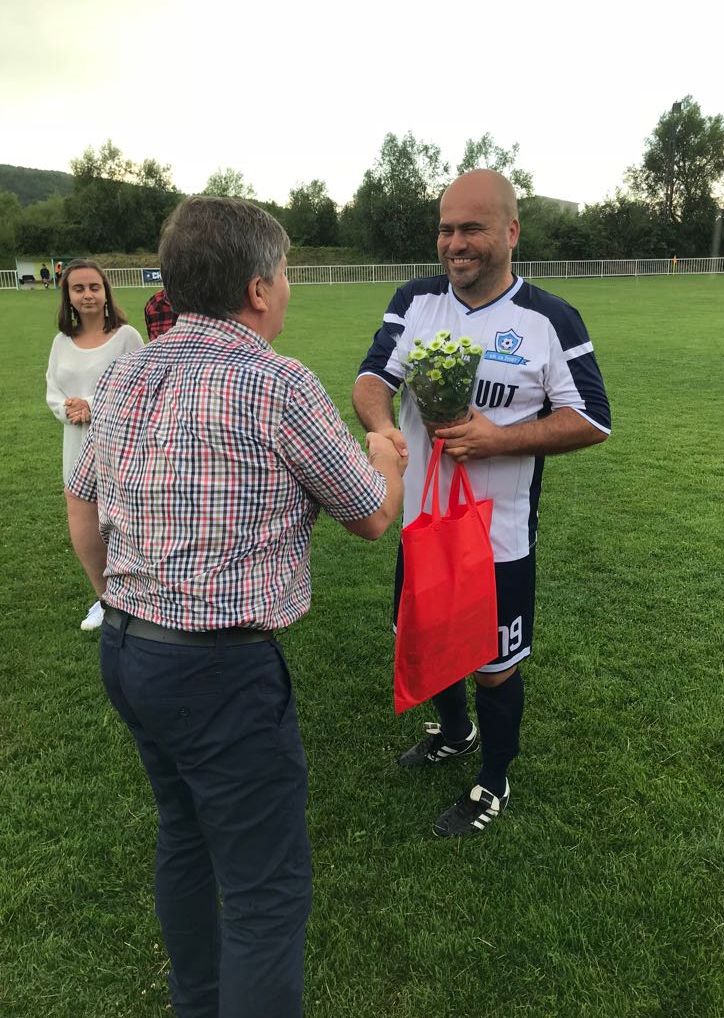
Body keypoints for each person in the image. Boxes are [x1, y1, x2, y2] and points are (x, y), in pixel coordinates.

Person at [64, 196, 405, 1017]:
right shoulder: (276, 381)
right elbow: (370, 515)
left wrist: (114, 595)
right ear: (258, 289)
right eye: (284, 275)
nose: (287, 290)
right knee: (264, 888)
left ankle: (197, 1004)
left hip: (128, 648)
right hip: (218, 671)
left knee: (184, 835)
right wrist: (386, 455)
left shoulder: (128, 372)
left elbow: (81, 501)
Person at [353, 169, 611, 838]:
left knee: (495, 668)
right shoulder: (415, 301)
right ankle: (454, 733)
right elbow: (373, 378)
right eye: (446, 229)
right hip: (423, 525)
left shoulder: (548, 318)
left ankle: (493, 780)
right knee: (429, 640)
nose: (455, 243)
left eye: (472, 228)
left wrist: (501, 440)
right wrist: (380, 426)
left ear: (511, 232)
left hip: (498, 538)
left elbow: (592, 418)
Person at [45, 259, 144, 631]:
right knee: (84, 516)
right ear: (68, 296)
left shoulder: (127, 337)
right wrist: (68, 409)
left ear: (105, 292)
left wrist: (92, 405)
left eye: (94, 287)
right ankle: (104, 598)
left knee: (120, 520)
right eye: (78, 288)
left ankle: (133, 594)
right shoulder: (61, 342)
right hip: (76, 441)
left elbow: (140, 387)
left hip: (118, 442)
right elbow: (53, 390)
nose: (87, 295)